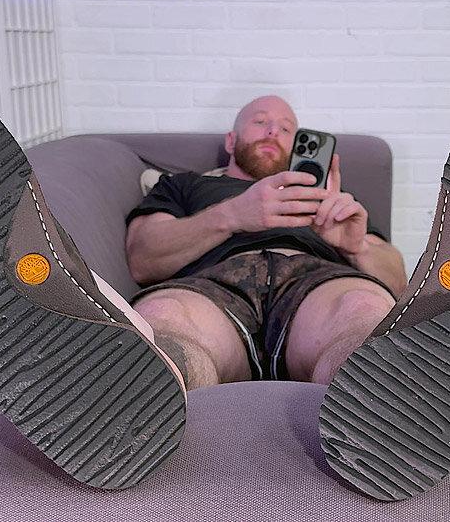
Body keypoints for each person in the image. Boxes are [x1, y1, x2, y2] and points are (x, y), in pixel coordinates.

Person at [124, 95, 407, 389]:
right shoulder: (186, 185)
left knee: (363, 309)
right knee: (163, 317)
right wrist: (231, 215)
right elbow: (143, 258)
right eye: (260, 122)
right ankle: (149, 407)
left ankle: (377, 406)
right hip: (212, 286)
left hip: (315, 281)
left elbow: (397, 283)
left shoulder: (330, 198)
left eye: (286, 129)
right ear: (231, 141)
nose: (273, 131)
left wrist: (357, 248)